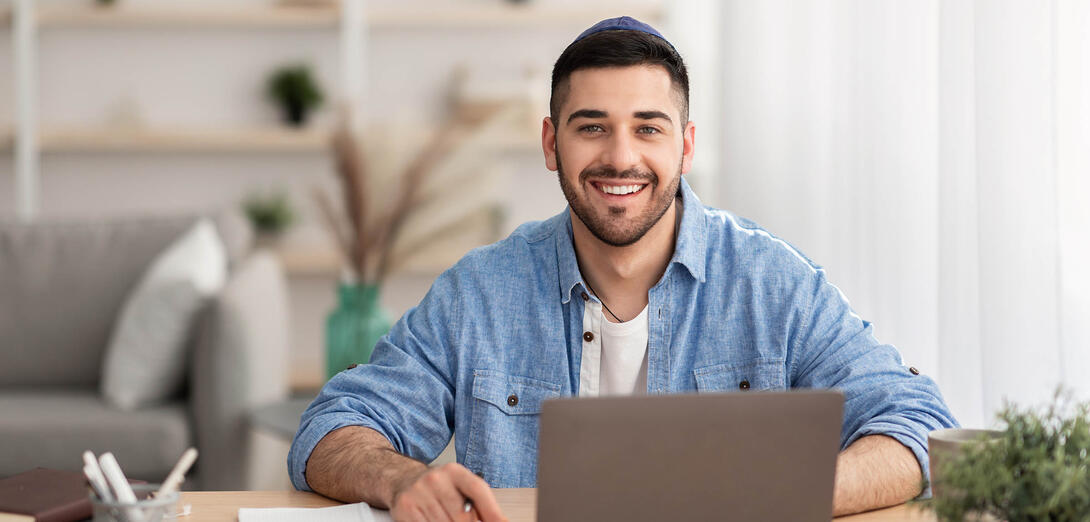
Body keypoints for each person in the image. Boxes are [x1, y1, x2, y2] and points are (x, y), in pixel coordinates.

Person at [289, 16, 958, 522]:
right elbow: (330, 427)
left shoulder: (772, 282)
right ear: (551, 143)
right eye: (591, 127)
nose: (620, 157)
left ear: (685, 146)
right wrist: (402, 480)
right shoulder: (480, 291)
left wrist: (778, 496)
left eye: (647, 128)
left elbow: (919, 426)